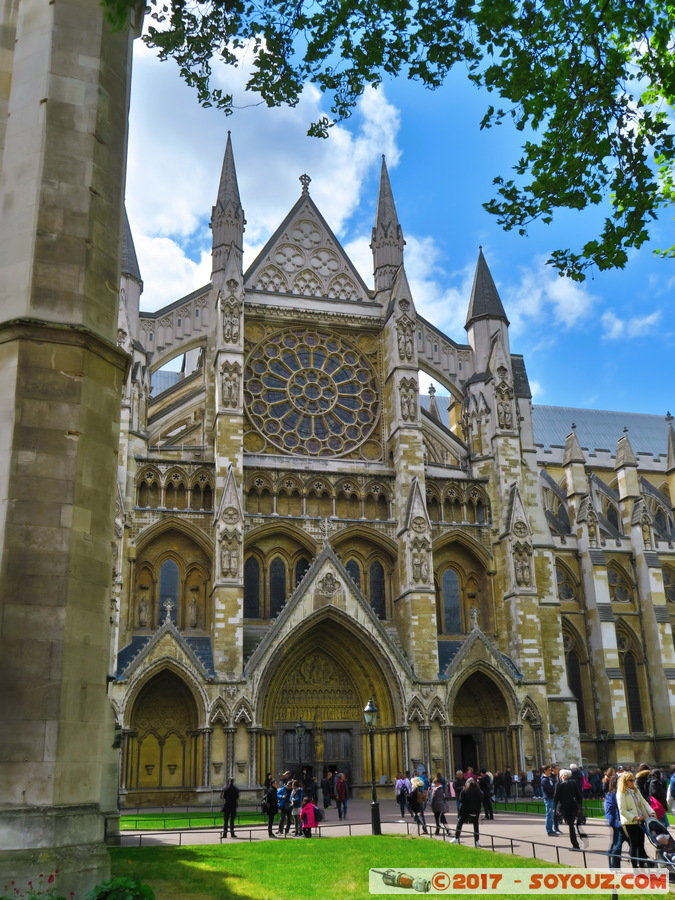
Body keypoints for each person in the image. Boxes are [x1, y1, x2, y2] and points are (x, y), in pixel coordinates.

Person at [617, 770, 653, 868]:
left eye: (633, 780)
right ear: (625, 782)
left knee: (641, 845)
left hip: (640, 820)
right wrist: (634, 817)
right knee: (634, 845)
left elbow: (644, 802)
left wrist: (651, 812)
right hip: (630, 822)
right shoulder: (622, 793)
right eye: (630, 780)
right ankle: (635, 868)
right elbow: (622, 810)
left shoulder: (636, 791)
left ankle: (642, 866)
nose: (633, 782)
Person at [553, 768, 583, 850]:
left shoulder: (559, 785)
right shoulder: (573, 783)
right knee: (571, 825)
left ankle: (575, 845)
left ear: (562, 775)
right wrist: (579, 806)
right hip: (573, 806)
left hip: (565, 807)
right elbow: (579, 795)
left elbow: (556, 798)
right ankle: (575, 844)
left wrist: (556, 809)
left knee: (570, 826)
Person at [604, 774, 629, 869]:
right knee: (617, 845)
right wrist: (613, 822)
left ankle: (613, 865)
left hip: (618, 822)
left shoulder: (613, 793)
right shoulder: (614, 794)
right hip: (619, 822)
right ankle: (614, 865)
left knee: (616, 844)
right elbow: (610, 809)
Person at [451, 777, 483, 847]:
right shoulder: (478, 791)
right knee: (476, 825)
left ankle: (456, 837)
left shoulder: (465, 790)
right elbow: (481, 799)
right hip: (475, 811)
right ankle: (476, 840)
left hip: (465, 810)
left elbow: (461, 799)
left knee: (460, 823)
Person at [541, 764, 561, 836]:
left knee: (552, 815)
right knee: (549, 815)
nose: (550, 771)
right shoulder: (544, 779)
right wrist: (554, 788)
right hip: (548, 798)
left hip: (551, 798)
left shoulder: (549, 778)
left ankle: (551, 829)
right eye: (548, 770)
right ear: (544, 771)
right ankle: (549, 830)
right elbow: (550, 789)